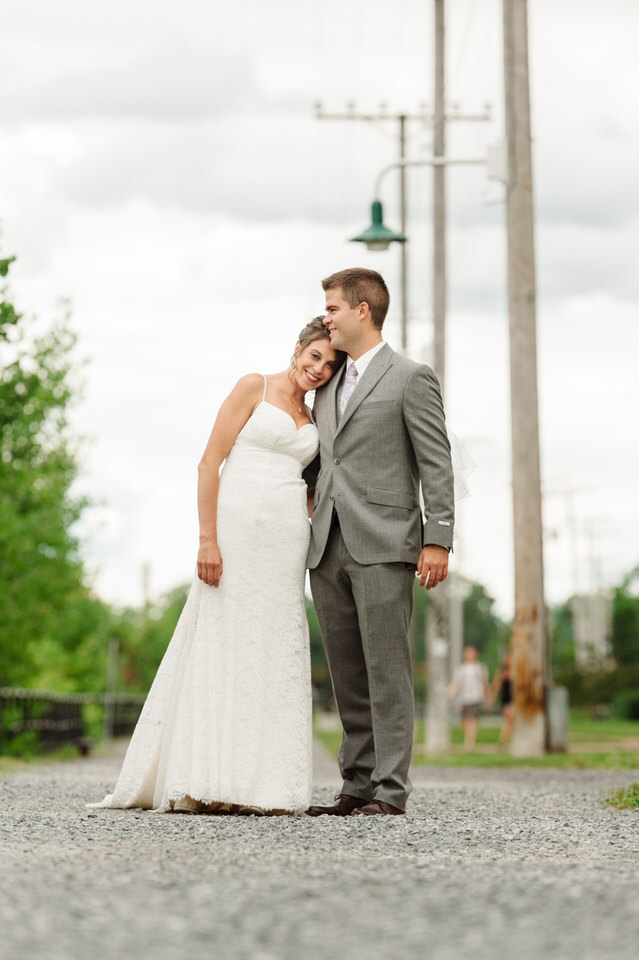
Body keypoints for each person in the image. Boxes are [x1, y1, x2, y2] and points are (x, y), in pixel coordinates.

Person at [88, 319, 344, 816]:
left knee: (272, 644)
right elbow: (210, 462)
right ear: (297, 348)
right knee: (222, 638)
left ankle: (262, 785)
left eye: (329, 365)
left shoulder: (315, 415)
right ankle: (205, 775)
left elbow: (314, 483)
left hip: (286, 538)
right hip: (235, 529)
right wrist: (207, 539)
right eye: (314, 356)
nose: (318, 369)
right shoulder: (254, 386)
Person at [304, 267, 455, 817]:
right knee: (346, 673)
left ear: (362, 310)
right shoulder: (327, 380)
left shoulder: (411, 377)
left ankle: (391, 792)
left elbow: (436, 463)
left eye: (333, 308)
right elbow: (321, 459)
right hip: (327, 546)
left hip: (387, 542)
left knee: (387, 670)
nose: (327, 317)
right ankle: (356, 786)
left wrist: (437, 540)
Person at [447, 645, 490, 751]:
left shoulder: (480, 668)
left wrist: (487, 697)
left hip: (475, 697)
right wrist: (450, 692)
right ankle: (468, 739)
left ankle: (470, 743)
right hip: (464, 698)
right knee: (464, 722)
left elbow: (484, 683)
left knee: (473, 720)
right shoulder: (461, 669)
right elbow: (457, 683)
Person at [491, 651, 514, 745]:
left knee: (510, 720)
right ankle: (504, 739)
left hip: (515, 699)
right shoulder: (501, 672)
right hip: (506, 699)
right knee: (508, 720)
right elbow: (496, 686)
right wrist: (493, 697)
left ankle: (504, 739)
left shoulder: (517, 671)